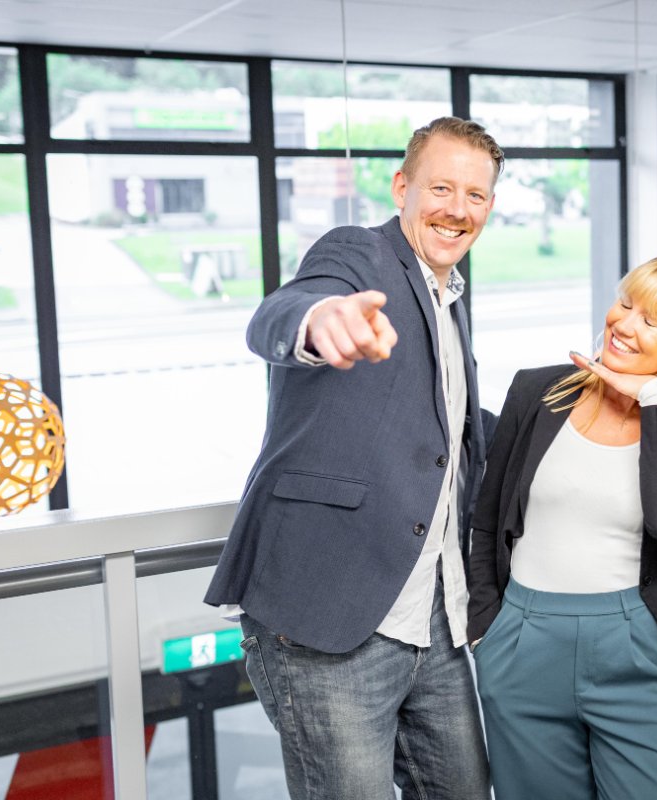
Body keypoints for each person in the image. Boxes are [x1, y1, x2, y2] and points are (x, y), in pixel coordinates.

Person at [203, 116, 503, 800]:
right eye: (441, 188)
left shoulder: (448, 292)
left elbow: (444, 426)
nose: (457, 209)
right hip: (330, 617)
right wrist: (320, 322)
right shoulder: (359, 256)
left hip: (433, 618)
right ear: (402, 187)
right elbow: (288, 308)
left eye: (476, 196)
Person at [466, 255, 657, 800]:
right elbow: (488, 518)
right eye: (626, 304)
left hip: (633, 641)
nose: (624, 324)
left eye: (651, 321)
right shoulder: (539, 392)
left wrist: (655, 399)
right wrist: (485, 629)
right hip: (521, 641)